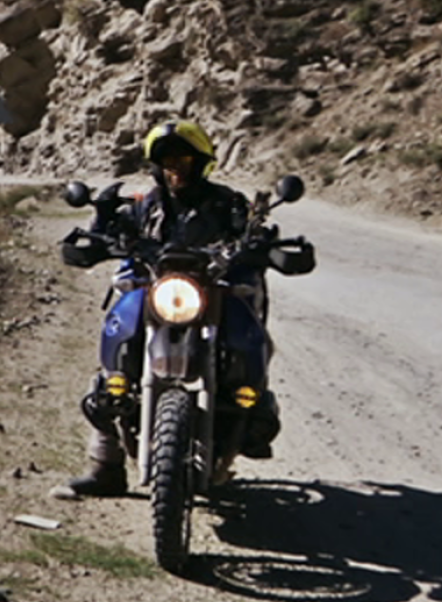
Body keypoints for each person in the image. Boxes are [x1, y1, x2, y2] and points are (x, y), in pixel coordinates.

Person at [54, 120, 278, 499]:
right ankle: (105, 466)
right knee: (117, 349)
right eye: (167, 159)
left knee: (246, 331)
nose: (176, 167)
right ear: (156, 165)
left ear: (201, 162)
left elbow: (249, 234)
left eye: (184, 158)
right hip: (156, 291)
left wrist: (261, 241)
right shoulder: (144, 205)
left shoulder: (228, 203)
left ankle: (250, 407)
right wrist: (101, 221)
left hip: (211, 292)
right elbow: (110, 235)